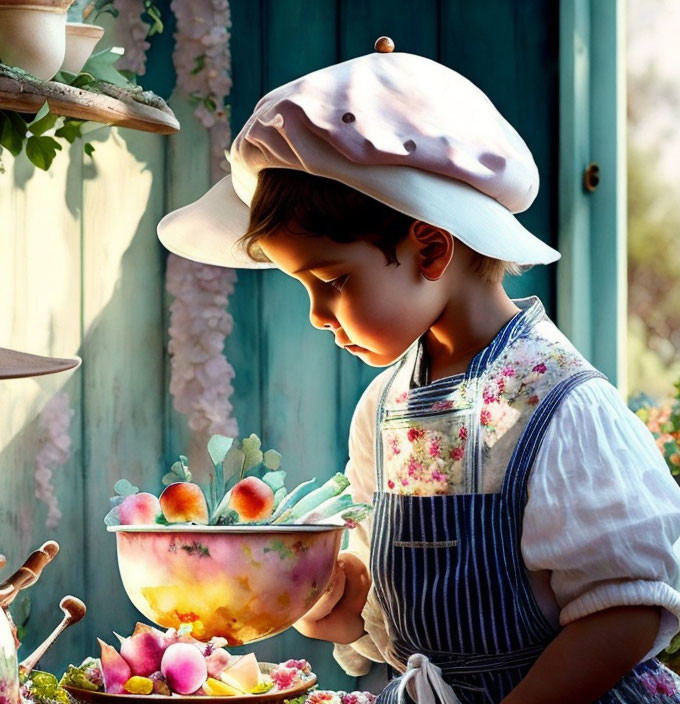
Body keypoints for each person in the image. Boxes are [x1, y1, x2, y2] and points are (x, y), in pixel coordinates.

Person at [156, 40, 680, 704]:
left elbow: (623, 614)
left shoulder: (560, 408)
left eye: (333, 280)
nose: (319, 314)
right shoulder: (388, 407)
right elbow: (391, 613)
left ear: (429, 248)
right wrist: (332, 596)